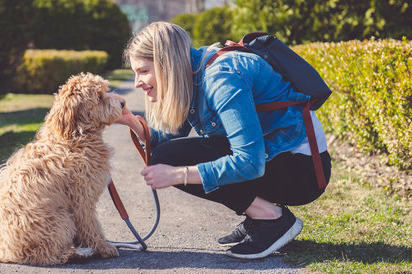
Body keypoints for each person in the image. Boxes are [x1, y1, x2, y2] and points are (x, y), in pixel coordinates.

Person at [115, 22, 331, 260]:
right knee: (166, 156)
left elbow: (250, 162)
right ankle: (261, 216)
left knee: (170, 161)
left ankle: (271, 219)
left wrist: (178, 175)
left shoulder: (221, 77)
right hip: (278, 159)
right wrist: (130, 121)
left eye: (143, 71)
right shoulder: (193, 73)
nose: (137, 83)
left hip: (302, 171)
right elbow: (166, 145)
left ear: (167, 63)